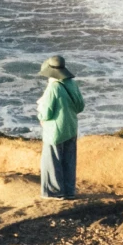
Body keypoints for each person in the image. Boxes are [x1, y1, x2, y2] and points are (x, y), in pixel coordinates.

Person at [37, 54, 85, 200]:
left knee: (52, 161)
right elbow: (80, 106)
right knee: (68, 160)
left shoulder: (53, 87)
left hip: (55, 130)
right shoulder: (72, 84)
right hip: (71, 127)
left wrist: (40, 115)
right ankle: (69, 191)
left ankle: (55, 192)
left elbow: (46, 113)